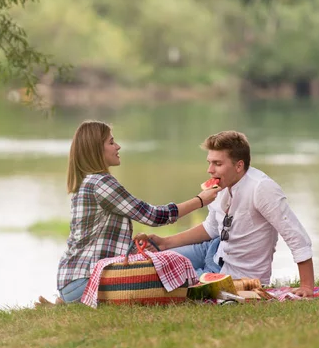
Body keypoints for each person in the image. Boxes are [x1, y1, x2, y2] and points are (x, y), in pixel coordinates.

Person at [54, 120, 221, 304]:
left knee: (168, 261)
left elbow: (98, 243)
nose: (117, 146)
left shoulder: (87, 182)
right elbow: (154, 216)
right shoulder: (101, 183)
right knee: (173, 270)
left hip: (72, 281)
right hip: (86, 280)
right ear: (95, 149)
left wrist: (133, 248)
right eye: (111, 142)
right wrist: (200, 201)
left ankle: (66, 301)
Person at [149, 131, 315, 297]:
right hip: (213, 249)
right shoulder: (221, 184)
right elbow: (211, 228)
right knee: (154, 264)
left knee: (162, 279)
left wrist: (306, 286)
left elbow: (295, 235)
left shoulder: (262, 188)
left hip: (238, 276)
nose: (210, 170)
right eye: (209, 163)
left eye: (217, 164)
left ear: (239, 166)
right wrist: (165, 243)